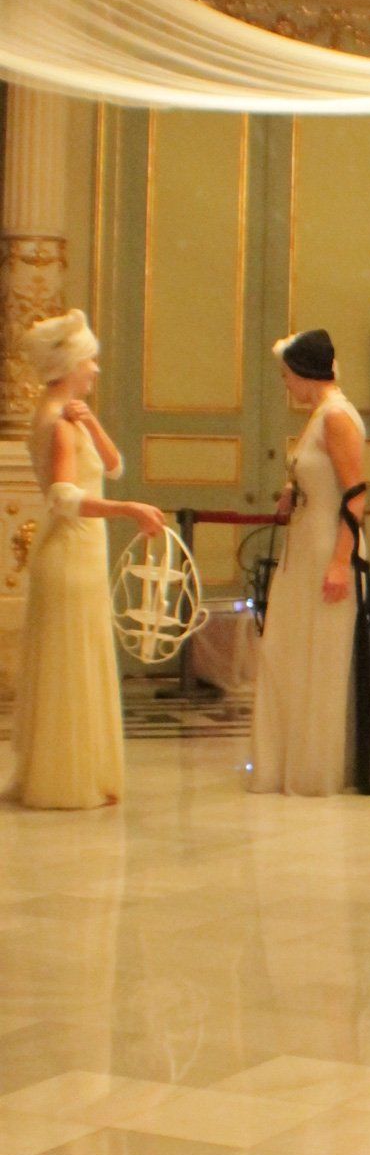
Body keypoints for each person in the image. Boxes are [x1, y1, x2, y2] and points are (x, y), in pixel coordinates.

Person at [6, 310, 163, 811]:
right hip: (70, 554)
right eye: (90, 360)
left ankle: (80, 773)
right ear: (71, 364)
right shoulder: (57, 424)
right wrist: (129, 509)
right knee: (71, 671)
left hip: (80, 554)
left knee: (80, 664)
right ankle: (65, 780)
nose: (95, 369)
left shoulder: (68, 415)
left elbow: (114, 466)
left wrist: (92, 422)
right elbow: (64, 498)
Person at [249, 327, 370, 796]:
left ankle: (316, 769)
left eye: (287, 376)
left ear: (303, 373)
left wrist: (340, 563)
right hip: (303, 547)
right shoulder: (319, 415)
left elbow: (356, 495)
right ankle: (289, 761)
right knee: (288, 653)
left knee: (319, 658)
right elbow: (322, 477)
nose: (285, 384)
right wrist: (290, 491)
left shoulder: (336, 417)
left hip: (326, 548)